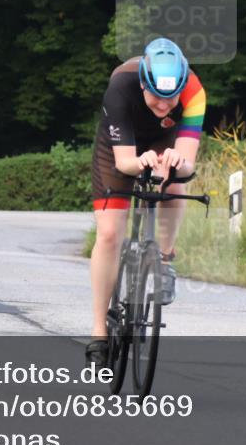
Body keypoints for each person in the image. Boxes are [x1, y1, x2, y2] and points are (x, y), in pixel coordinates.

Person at [85, 38, 206, 366]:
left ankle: (165, 259)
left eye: (172, 98)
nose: (166, 105)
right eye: (157, 97)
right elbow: (124, 164)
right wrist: (142, 162)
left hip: (166, 141)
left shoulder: (193, 92)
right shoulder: (121, 87)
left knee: (176, 182)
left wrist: (175, 164)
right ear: (143, 83)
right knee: (110, 233)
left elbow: (189, 162)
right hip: (121, 150)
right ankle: (99, 332)